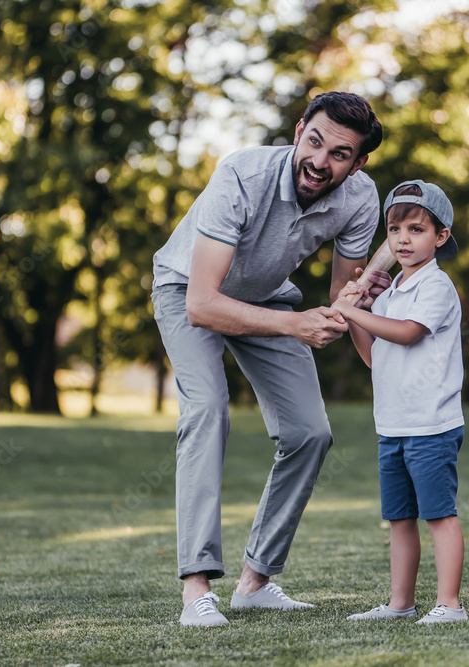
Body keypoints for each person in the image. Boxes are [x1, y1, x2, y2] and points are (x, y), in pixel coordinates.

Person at [151, 92, 387, 627]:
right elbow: (203, 304)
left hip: (267, 297)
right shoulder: (241, 174)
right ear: (299, 129)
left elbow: (341, 298)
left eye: (340, 154)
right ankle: (196, 590)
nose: (320, 161)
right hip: (189, 290)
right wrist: (297, 324)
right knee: (208, 409)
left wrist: (376, 358)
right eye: (315, 141)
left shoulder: (360, 199)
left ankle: (255, 582)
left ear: (359, 163)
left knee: (310, 432)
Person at [331, 180, 468, 625]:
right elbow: (375, 356)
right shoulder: (388, 296)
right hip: (392, 424)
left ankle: (449, 604)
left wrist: (352, 310)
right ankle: (400, 604)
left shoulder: (436, 287)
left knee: (439, 517)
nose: (403, 239)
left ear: (440, 236)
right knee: (400, 519)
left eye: (416, 229)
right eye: (394, 230)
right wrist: (357, 311)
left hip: (431, 424)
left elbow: (409, 333)